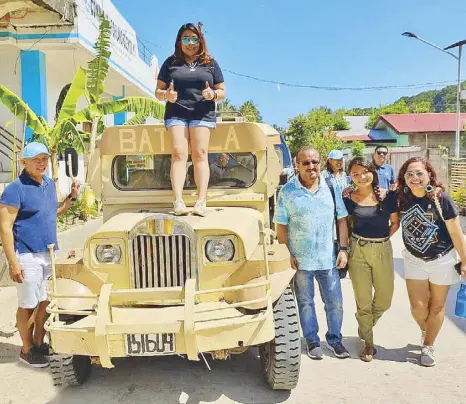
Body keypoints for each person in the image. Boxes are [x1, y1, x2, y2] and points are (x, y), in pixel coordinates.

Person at [0, 142, 80, 367]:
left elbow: (52, 212)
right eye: (36, 159)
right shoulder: (15, 188)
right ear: (24, 162)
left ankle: (38, 342)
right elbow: (5, 226)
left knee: (46, 301)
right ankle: (26, 350)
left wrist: (71, 198)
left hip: (49, 254)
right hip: (27, 254)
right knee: (27, 304)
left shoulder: (47, 183)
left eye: (44, 158)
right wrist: (13, 262)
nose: (41, 163)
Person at [274, 147, 350, 360]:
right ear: (297, 165)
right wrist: (285, 253)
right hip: (300, 261)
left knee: (335, 302)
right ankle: (312, 341)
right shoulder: (287, 191)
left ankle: (335, 340)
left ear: (321, 163)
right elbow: (281, 226)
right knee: (306, 303)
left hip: (328, 259)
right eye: (305, 163)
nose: (311, 166)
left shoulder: (331, 187)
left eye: (315, 162)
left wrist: (343, 249)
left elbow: (342, 219)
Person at [397, 157, 466, 367]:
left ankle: (428, 344)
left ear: (429, 175)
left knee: (436, 306)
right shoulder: (401, 198)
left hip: (442, 260)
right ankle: (429, 330)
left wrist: (465, 261)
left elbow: (456, 232)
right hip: (414, 260)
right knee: (418, 307)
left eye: (419, 173)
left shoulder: (441, 198)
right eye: (410, 174)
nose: (414, 178)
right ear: (404, 177)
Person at [155, 23, 225, 217]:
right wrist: (166, 96)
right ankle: (178, 201)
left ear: (200, 41)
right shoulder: (170, 62)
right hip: (176, 112)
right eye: (186, 38)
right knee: (178, 153)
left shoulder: (210, 63)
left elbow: (222, 91)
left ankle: (201, 201)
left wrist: (213, 94)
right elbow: (158, 92)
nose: (191, 43)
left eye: (194, 39)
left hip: (202, 113)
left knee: (200, 154)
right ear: (179, 41)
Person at [343, 157, 400, 362]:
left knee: (385, 298)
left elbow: (395, 223)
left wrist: (382, 241)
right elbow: (344, 226)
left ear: (373, 172)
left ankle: (364, 324)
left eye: (364, 172)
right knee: (363, 300)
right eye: (355, 174)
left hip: (383, 249)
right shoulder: (348, 198)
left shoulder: (387, 196)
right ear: (350, 177)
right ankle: (368, 342)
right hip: (358, 251)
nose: (361, 177)